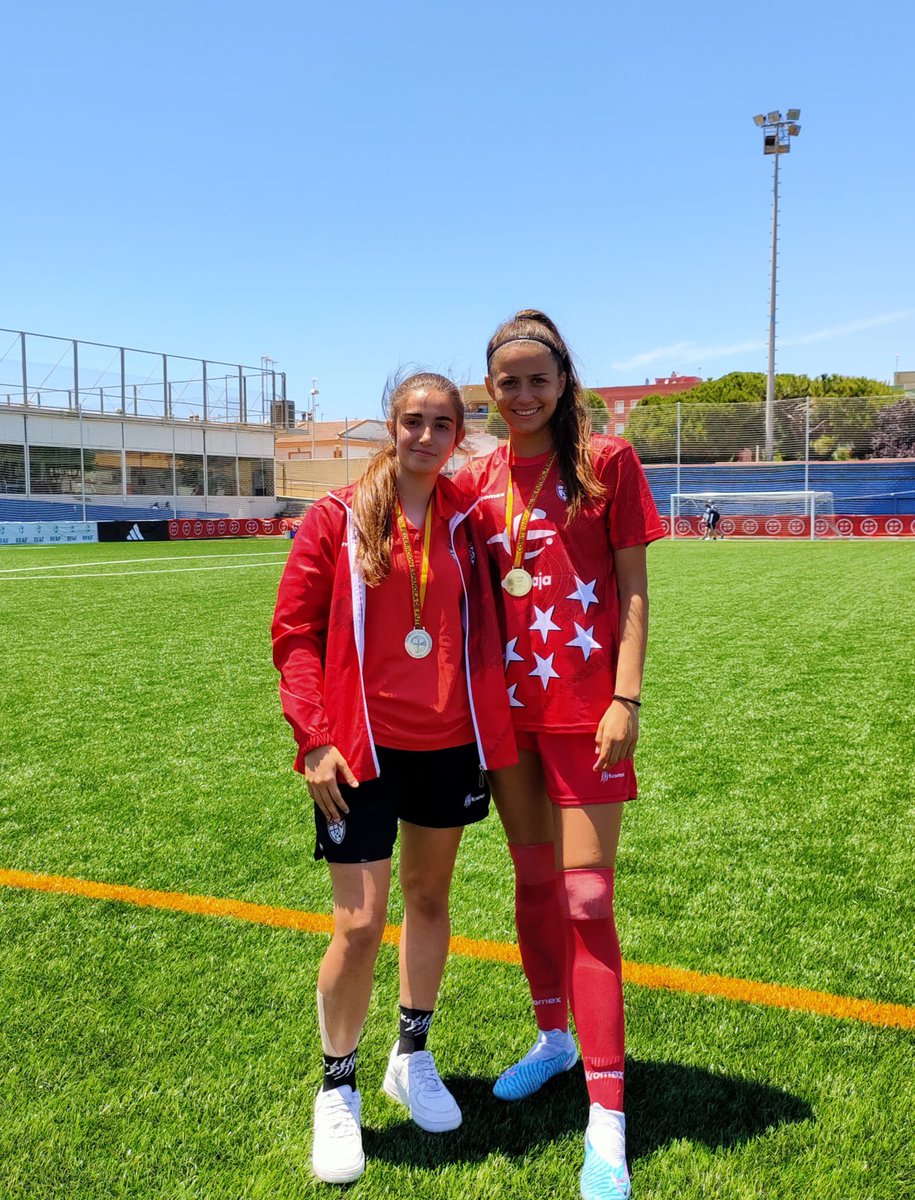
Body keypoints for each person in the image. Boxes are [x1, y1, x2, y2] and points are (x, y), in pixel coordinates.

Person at [271, 371, 515, 1185]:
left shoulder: (468, 522)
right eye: (413, 420)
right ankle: (335, 1089)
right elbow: (294, 634)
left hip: (449, 744)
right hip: (359, 751)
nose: (425, 435)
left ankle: (410, 1055)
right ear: (391, 425)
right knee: (359, 922)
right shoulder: (335, 518)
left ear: (458, 433)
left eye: (442, 423)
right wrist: (312, 739)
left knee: (431, 899)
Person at [454, 311, 665, 1200]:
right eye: (509, 380)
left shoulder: (606, 462)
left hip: (587, 712)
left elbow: (633, 591)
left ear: (564, 380)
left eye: (539, 378)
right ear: (490, 389)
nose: (525, 394)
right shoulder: (474, 478)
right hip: (507, 717)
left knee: (586, 895)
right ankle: (551, 1039)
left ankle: (605, 1120)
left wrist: (625, 697)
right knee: (533, 880)